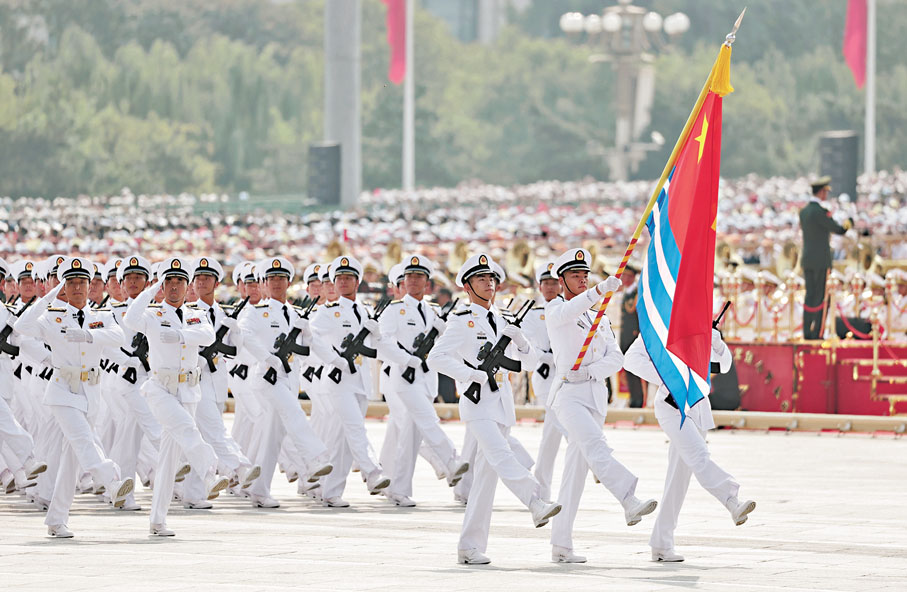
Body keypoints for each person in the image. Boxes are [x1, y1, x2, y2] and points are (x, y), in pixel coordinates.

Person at [428, 253, 561, 565]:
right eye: (481, 279)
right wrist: (469, 374)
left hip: (501, 404)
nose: (488, 283)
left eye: (491, 279)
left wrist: (521, 340)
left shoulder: (503, 320)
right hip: (477, 404)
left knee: (484, 484)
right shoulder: (462, 321)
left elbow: (530, 363)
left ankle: (469, 547)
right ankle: (535, 500)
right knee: (502, 454)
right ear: (467, 287)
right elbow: (436, 357)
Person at [544, 248, 656, 563]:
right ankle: (628, 498)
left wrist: (591, 371)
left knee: (575, 474)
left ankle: (561, 545)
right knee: (596, 447)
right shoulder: (555, 309)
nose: (582, 280)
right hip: (569, 396)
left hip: (594, 395)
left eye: (585, 275)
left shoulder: (599, 316)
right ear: (561, 281)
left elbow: (616, 358)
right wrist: (598, 291)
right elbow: (569, 311)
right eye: (575, 276)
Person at [14, 256, 134, 538]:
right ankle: (111, 480)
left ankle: (56, 520)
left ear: (90, 285)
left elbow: (118, 337)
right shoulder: (52, 316)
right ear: (64, 287)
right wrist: (48, 298)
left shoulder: (101, 316)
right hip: (62, 390)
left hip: (91, 392)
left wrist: (89, 336)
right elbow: (22, 326)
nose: (78, 287)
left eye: (82, 282)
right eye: (71, 283)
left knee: (72, 459)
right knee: (84, 440)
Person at [623, 328, 756, 562]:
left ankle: (661, 544)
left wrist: (717, 343)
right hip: (672, 406)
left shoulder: (701, 326)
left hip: (698, 407)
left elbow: (723, 366)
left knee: (678, 480)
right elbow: (631, 359)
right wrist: (669, 376)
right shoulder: (659, 323)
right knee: (699, 456)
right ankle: (731, 500)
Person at [123, 256, 228, 536]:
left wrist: (181, 335)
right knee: (188, 429)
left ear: (187, 285)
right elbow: (130, 318)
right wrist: (151, 290)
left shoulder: (196, 314)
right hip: (160, 388)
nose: (174, 286)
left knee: (168, 461)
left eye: (180, 281)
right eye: (168, 280)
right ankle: (209, 472)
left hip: (188, 390)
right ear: (161, 284)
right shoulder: (152, 314)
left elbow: (207, 336)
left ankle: (157, 520)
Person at [237, 257, 333, 508]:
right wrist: (266, 357)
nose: (276, 283)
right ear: (264, 283)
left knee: (272, 439)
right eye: (271, 279)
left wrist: (308, 333)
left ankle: (259, 490)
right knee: (295, 413)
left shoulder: (296, 314)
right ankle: (314, 459)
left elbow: (310, 347)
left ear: (289, 283)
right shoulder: (257, 312)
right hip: (266, 377)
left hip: (288, 379)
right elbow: (244, 335)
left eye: (281, 279)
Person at [376, 255, 469, 507]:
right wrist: (407, 359)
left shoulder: (434, 312)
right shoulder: (394, 310)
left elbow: (444, 347)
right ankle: (451, 460)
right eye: (409, 277)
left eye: (418, 277)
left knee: (410, 437)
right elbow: (381, 343)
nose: (413, 281)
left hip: (427, 379)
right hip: (404, 378)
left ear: (427, 283)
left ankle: (398, 489)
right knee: (428, 419)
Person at [310, 255, 391, 507]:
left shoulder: (366, 311)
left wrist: (378, 335)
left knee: (342, 440)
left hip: (360, 380)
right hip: (338, 381)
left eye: (348, 278)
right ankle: (373, 473)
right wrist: (334, 359)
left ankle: (330, 491)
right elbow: (311, 337)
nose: (343, 282)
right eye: (339, 278)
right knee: (356, 428)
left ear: (357, 282)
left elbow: (377, 346)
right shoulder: (328, 312)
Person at [181, 257, 260, 509]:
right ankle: (240, 467)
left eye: (207, 278)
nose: (201, 282)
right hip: (196, 380)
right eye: (198, 278)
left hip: (217, 381)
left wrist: (234, 330)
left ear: (216, 284)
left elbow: (234, 352)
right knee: (215, 431)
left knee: (204, 436)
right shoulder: (188, 312)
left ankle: (194, 493)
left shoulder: (225, 314)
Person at [522, 260, 563, 502]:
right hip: (546, 377)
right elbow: (526, 345)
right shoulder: (532, 314)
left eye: (553, 282)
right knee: (560, 427)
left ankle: (540, 488)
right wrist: (548, 356)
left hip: (567, 377)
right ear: (539, 286)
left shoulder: (567, 309)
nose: (550, 287)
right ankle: (594, 459)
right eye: (546, 283)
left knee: (552, 435)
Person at [800, 177, 853, 339]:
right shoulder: (820, 212)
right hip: (821, 260)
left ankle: (807, 331)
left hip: (807, 259)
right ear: (822, 192)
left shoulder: (803, 211)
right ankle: (817, 332)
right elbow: (838, 229)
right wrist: (849, 222)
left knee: (809, 295)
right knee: (821, 296)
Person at [618, 264, 645, 407]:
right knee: (628, 368)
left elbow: (634, 311)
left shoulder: (636, 292)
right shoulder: (627, 292)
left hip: (633, 336)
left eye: (627, 276)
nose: (624, 278)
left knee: (636, 369)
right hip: (625, 336)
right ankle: (633, 398)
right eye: (624, 275)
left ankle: (638, 400)